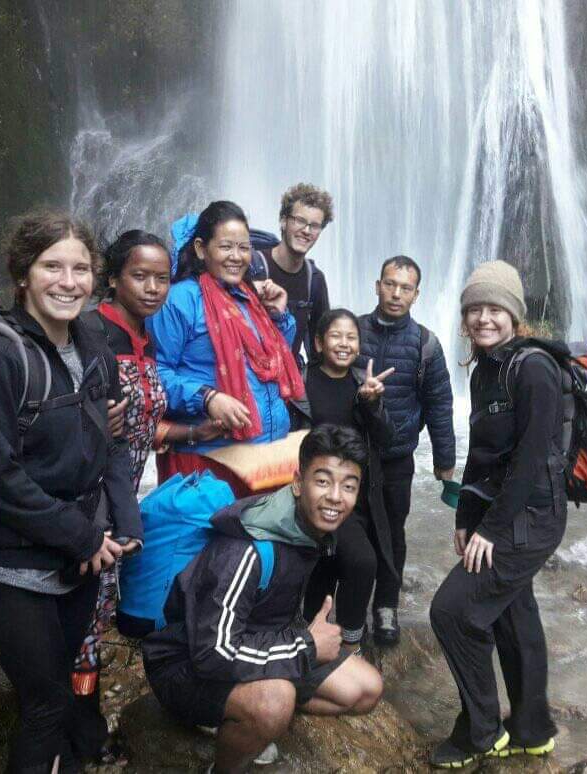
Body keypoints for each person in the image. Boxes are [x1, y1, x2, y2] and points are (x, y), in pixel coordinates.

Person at [0, 210, 142, 773]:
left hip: (75, 560)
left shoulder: (93, 343)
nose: (68, 282)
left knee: (59, 691)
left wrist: (126, 521)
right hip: (10, 568)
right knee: (45, 706)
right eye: (51, 267)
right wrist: (82, 534)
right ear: (23, 274)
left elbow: (110, 440)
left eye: (80, 269)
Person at [143, 425, 384, 774]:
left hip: (260, 642)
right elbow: (212, 653)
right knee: (274, 702)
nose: (335, 497)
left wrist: (300, 649)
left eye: (348, 486)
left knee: (366, 689)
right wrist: (306, 647)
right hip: (185, 663)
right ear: (298, 482)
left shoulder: (311, 529)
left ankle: (251, 715)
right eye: (323, 481)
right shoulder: (249, 549)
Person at [428, 260, 567, 768]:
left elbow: (531, 460)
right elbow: (482, 452)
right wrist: (464, 517)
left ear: (514, 315)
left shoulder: (534, 369)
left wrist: (491, 530)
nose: (483, 318)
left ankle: (481, 732)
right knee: (512, 612)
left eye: (494, 309)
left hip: (530, 518)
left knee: (451, 611)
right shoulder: (487, 368)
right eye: (474, 310)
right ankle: (532, 729)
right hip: (500, 512)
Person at [70, 230, 176, 763]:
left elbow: (139, 427)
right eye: (140, 276)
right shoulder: (91, 332)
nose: (153, 287)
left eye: (162, 278)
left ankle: (81, 724)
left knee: (95, 614)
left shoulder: (143, 336)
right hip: (87, 501)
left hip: (120, 496)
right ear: (112, 278)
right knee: (84, 617)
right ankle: (79, 732)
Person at [147, 200, 305, 493]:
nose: (236, 256)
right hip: (208, 460)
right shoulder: (180, 300)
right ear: (200, 248)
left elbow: (271, 365)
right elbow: (154, 375)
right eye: (226, 247)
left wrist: (279, 316)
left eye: (244, 247)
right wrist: (207, 398)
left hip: (266, 454)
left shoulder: (249, 297)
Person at [357, 255, 455, 645]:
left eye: (405, 287)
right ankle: (346, 604)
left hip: (396, 457)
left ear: (416, 294)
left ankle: (386, 606)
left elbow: (439, 404)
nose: (396, 294)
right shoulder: (352, 331)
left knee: (392, 533)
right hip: (351, 456)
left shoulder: (425, 344)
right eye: (390, 284)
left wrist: (445, 461)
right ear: (377, 286)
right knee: (348, 530)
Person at [300, 309, 396, 648]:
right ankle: (312, 642)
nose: (344, 343)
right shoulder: (300, 381)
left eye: (351, 337)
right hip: (311, 494)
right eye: (336, 336)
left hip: (353, 497)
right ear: (319, 343)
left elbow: (386, 439)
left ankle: (351, 642)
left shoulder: (363, 383)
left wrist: (372, 403)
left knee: (360, 561)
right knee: (322, 571)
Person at [252, 183, 333, 365]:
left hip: (289, 376)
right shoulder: (253, 266)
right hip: (250, 375)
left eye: (314, 226)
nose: (306, 231)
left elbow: (319, 345)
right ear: (283, 221)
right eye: (299, 221)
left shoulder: (315, 280)